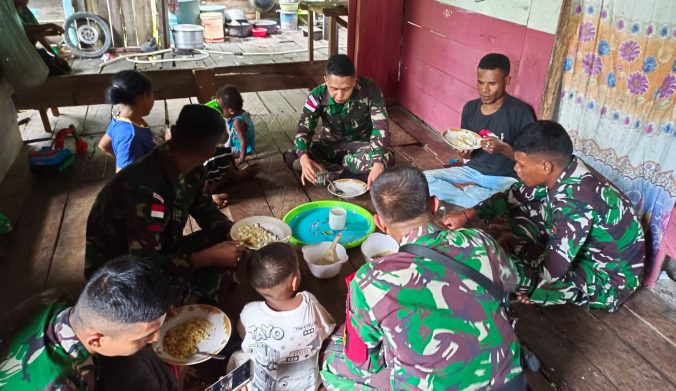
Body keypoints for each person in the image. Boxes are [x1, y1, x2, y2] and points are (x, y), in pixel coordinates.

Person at [321, 166, 524, 391]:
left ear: (380, 223)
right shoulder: (480, 241)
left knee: (332, 355)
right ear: (434, 205)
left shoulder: (370, 280)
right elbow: (511, 285)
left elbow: (364, 362)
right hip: (509, 383)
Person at [445, 121, 645, 311]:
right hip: (585, 248)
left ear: (546, 167)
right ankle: (517, 252)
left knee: (507, 271)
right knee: (516, 208)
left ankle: (518, 260)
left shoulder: (575, 202)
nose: (516, 169)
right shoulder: (567, 168)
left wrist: (529, 281)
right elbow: (512, 196)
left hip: (608, 280)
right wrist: (467, 214)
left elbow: (551, 274)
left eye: (521, 165)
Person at [85, 104, 246, 304]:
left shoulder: (192, 168)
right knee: (182, 305)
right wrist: (208, 258)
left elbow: (203, 207)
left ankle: (206, 286)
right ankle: (202, 291)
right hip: (118, 276)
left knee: (223, 238)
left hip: (163, 250)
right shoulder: (146, 189)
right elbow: (143, 265)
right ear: (209, 151)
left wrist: (233, 233)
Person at [0, 257, 174, 390]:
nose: (155, 337)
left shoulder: (55, 298)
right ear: (96, 341)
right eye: (145, 336)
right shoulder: (63, 384)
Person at [424, 53, 535, 208]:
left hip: (504, 179)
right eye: (480, 82)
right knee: (422, 180)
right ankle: (482, 203)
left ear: (507, 81)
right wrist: (466, 153)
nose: (485, 89)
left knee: (511, 200)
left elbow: (531, 160)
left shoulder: (520, 112)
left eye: (492, 83)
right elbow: (469, 152)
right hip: (471, 172)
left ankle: (472, 194)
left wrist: (504, 149)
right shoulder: (470, 108)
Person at [237, 242, 335, 391]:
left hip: (264, 388)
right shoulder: (310, 304)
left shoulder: (249, 312)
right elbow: (328, 327)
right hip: (307, 387)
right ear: (295, 282)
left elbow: (242, 331)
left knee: (237, 358)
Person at [288, 54, 393, 188]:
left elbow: (381, 127)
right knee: (294, 154)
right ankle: (346, 173)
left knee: (385, 158)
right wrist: (303, 157)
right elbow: (304, 129)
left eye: (346, 89)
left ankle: (330, 174)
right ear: (325, 80)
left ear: (355, 80)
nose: (339, 95)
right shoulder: (317, 95)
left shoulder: (370, 89)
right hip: (330, 146)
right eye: (334, 88)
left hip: (361, 147)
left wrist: (378, 162)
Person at [205, 85, 259, 208]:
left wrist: (242, 158)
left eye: (221, 108)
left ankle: (236, 175)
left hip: (241, 149)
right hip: (203, 186)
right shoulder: (242, 114)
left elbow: (242, 142)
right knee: (222, 153)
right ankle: (229, 177)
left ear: (231, 111)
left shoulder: (237, 122)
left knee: (223, 152)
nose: (219, 109)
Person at [98, 70, 156, 172]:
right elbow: (123, 178)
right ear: (142, 97)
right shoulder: (131, 137)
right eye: (151, 94)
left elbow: (104, 145)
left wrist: (123, 159)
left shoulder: (119, 118)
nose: (153, 99)